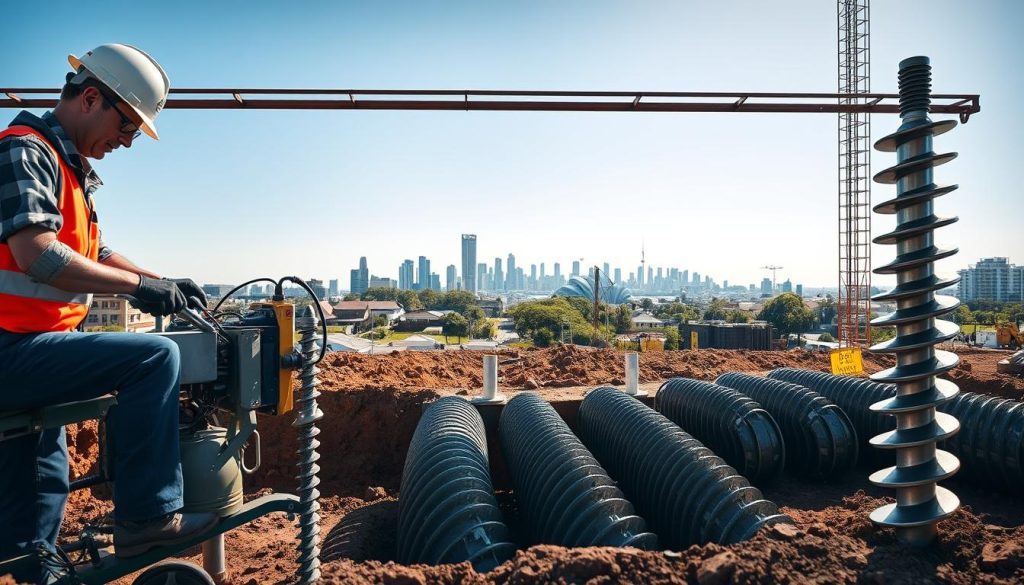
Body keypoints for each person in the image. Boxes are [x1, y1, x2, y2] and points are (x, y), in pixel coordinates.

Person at [0, 44, 218, 577]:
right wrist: (137, 290)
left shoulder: (66, 168)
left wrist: (156, 280)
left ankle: (32, 568)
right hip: (12, 348)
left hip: (33, 348)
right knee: (154, 359)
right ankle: (147, 516)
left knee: (42, 481)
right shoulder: (22, 150)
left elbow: (90, 251)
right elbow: (40, 255)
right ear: (91, 97)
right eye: (127, 128)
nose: (125, 143)